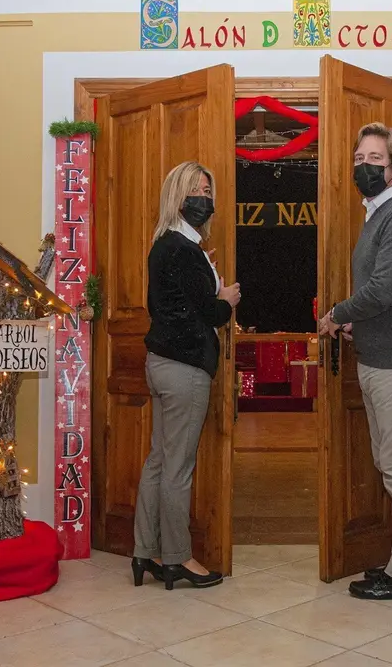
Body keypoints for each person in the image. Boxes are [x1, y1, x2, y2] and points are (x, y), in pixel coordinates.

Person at [318, 122, 392, 601]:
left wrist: (337, 315)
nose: (363, 166)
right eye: (358, 158)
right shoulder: (379, 215)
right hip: (381, 357)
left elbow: (383, 291)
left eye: (374, 159)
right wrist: (356, 326)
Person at [131, 161, 241, 591]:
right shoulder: (183, 248)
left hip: (160, 365)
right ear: (178, 194)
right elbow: (206, 311)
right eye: (196, 189)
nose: (204, 197)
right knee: (177, 468)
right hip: (185, 369)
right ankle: (177, 558)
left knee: (158, 461)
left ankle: (146, 550)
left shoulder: (166, 245)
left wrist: (206, 279)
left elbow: (173, 305)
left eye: (208, 190)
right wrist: (227, 298)